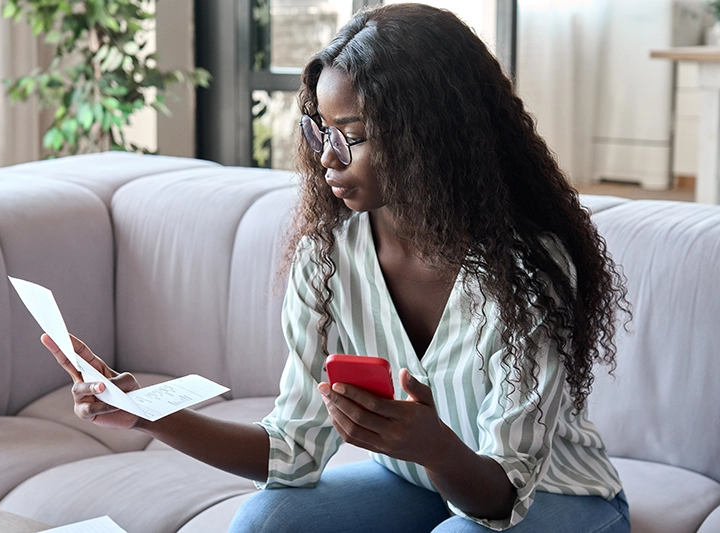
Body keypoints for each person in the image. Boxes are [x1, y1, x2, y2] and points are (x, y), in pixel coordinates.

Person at [42, 4, 632, 532]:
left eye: (351, 136)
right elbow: (291, 450)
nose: (325, 157)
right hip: (416, 486)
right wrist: (149, 414)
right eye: (321, 130)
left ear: (429, 138)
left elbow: (501, 498)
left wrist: (435, 447)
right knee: (264, 524)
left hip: (548, 497)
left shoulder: (526, 272)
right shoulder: (328, 259)